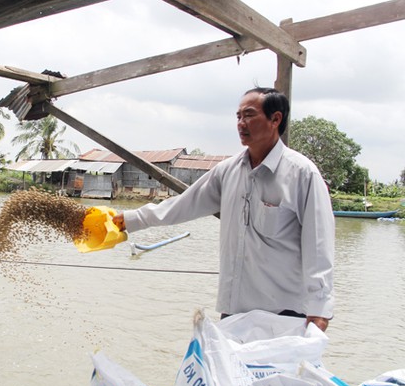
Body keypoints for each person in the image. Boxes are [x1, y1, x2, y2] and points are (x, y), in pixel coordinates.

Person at [113, 87, 334, 331]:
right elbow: (182, 205)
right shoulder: (228, 171)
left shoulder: (301, 174)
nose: (241, 123)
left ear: (275, 119)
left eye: (249, 115)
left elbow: (318, 244)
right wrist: (128, 220)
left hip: (285, 314)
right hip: (234, 310)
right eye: (238, 116)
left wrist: (319, 309)